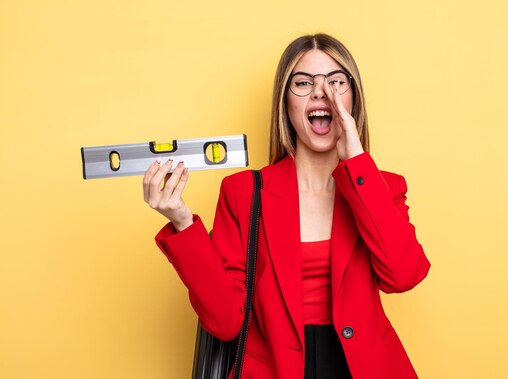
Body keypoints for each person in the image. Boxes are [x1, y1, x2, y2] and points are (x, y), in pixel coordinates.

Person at [143, 33, 431, 379]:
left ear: (354, 99)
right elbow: (224, 321)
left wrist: (356, 160)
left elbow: (403, 275)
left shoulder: (383, 187)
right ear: (285, 102)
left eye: (336, 81)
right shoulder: (244, 193)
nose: (320, 92)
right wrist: (182, 223)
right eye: (303, 82)